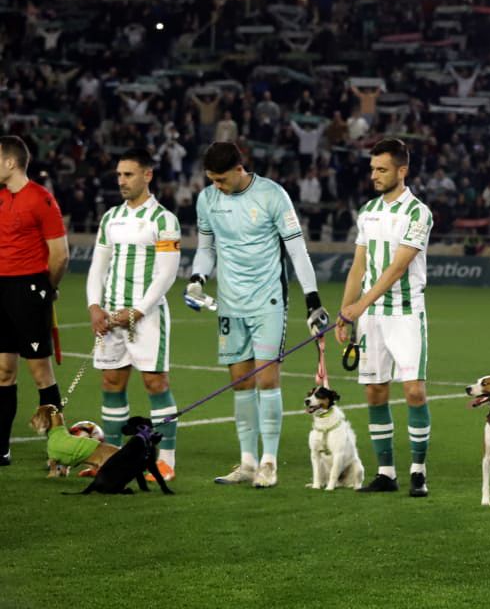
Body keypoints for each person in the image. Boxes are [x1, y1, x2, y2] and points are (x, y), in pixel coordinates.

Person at [186, 142, 327, 489]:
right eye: (211, 180)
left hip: (268, 300)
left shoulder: (272, 195)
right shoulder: (207, 200)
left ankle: (269, 463)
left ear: (239, 168)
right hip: (230, 302)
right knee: (241, 382)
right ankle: (247, 462)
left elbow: (297, 249)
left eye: (221, 179)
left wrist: (313, 300)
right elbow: (206, 248)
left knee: (267, 379)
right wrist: (196, 279)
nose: (216, 186)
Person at [335, 138, 434, 497]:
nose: (374, 175)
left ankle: (418, 472)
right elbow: (358, 268)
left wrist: (359, 305)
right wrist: (345, 314)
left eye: (382, 169)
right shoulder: (368, 211)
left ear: (402, 171)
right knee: (375, 393)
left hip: (406, 314)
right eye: (373, 169)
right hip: (371, 318)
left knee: (414, 392)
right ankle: (386, 474)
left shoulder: (418, 212)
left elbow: (397, 267)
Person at [86, 148, 182, 479]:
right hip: (111, 317)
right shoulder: (110, 218)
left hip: (148, 316)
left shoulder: (165, 220)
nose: (122, 181)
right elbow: (98, 267)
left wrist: (139, 311)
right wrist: (94, 306)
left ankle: (165, 459)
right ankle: (110, 458)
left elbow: (167, 274)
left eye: (128, 174)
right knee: (112, 381)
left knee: (155, 383)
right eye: (119, 175)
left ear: (147, 175)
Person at [0, 135, 68, 467]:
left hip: (28, 288)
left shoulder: (41, 200)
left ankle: (58, 449)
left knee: (41, 372)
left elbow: (60, 255)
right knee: (3, 371)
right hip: (0, 289)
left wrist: (46, 288)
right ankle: (1, 446)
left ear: (10, 162)